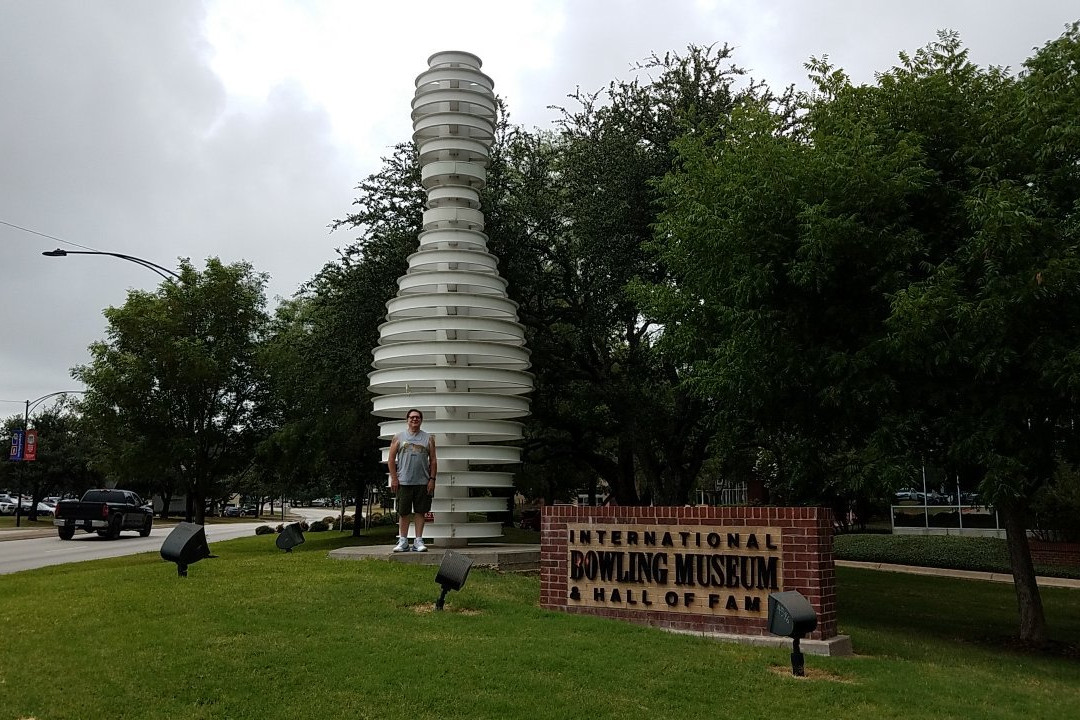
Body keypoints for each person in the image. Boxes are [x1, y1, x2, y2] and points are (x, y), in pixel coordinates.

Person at [387, 408, 437, 552]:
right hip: (404, 481)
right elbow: (391, 459)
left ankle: (418, 541)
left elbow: (433, 460)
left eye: (417, 418)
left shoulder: (428, 438)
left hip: (423, 481)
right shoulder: (398, 437)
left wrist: (432, 479)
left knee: (421, 511)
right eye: (412, 417)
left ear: (421, 420)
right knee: (403, 512)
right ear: (407, 420)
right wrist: (394, 478)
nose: (414, 420)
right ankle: (403, 541)